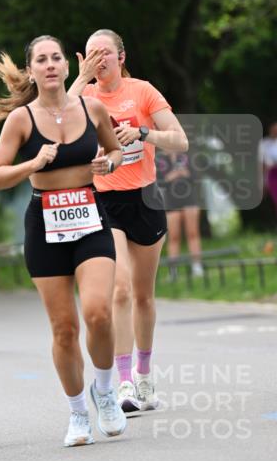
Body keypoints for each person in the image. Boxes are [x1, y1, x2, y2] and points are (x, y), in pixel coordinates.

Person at [0, 35, 126, 448]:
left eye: (56, 58)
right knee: (64, 329)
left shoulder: (92, 107)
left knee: (99, 312)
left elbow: (116, 151)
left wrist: (107, 162)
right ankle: (78, 412)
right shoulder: (22, 120)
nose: (49, 65)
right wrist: (34, 162)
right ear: (31, 71)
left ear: (68, 67)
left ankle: (105, 391)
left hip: (88, 213)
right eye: (41, 60)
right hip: (44, 223)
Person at [68, 28, 188, 414]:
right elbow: (51, 120)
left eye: (104, 53)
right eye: (90, 54)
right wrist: (80, 80)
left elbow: (180, 140)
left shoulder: (142, 91)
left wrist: (141, 132)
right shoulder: (82, 97)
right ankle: (122, 384)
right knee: (118, 290)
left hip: (145, 198)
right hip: (104, 200)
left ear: (121, 57)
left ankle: (144, 374)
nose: (98, 59)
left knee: (142, 295)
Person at [156, 152, 203, 277]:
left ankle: (197, 266)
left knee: (193, 233)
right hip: (171, 202)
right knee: (174, 237)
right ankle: (173, 271)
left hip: (189, 200)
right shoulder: (159, 160)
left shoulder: (187, 157)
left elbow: (196, 178)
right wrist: (170, 177)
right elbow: (157, 182)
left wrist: (185, 174)